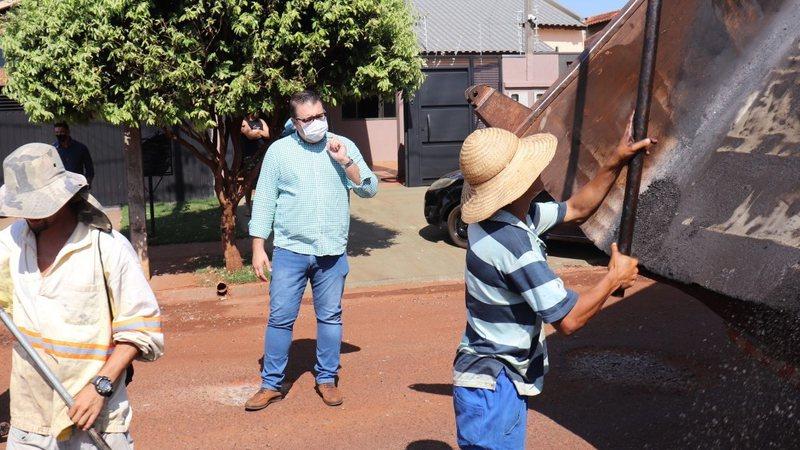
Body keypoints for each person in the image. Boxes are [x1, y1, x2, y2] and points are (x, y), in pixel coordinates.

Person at [452, 121, 655, 449]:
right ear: (516, 184)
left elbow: (577, 208)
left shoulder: (509, 218)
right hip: (495, 386)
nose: (537, 167)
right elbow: (569, 320)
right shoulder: (515, 247)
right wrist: (612, 279)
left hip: (485, 379)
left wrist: (616, 159)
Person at [0, 143, 164, 449]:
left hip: (95, 417)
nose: (28, 215)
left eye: (37, 205)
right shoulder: (10, 242)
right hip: (30, 417)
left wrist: (99, 387)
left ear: (64, 195)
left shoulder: (107, 247)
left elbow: (141, 330)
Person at [246, 90, 378, 411]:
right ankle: (271, 383)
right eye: (309, 119)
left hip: (331, 251)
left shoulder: (341, 146)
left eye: (320, 115)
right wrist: (258, 246)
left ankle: (327, 379)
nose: (317, 122)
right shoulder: (279, 152)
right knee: (280, 318)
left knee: (330, 317)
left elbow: (370, 188)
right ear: (296, 122)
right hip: (290, 250)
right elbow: (264, 200)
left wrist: (345, 161)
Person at [240, 113, 271, 212]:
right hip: (249, 155)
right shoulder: (244, 121)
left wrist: (256, 132)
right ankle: (248, 206)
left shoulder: (261, 121)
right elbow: (249, 135)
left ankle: (260, 207)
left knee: (262, 181)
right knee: (248, 181)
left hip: (262, 155)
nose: (258, 111)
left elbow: (267, 134)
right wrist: (260, 132)